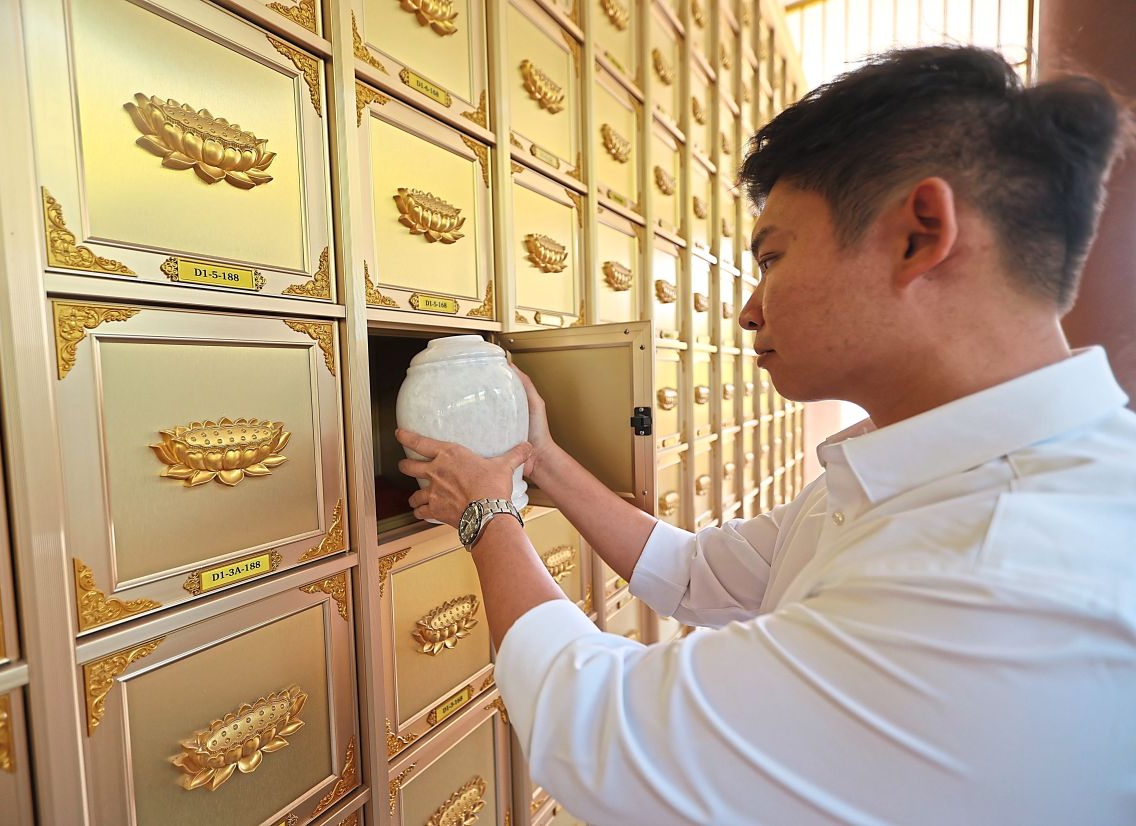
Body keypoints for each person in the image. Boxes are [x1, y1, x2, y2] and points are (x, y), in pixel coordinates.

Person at [395, 45, 1136, 824]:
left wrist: (487, 515)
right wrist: (541, 459)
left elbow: (606, 737)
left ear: (920, 235)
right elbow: (692, 575)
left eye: (773, 256)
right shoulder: (927, 474)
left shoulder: (1000, 570)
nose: (748, 310)